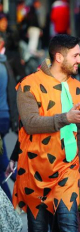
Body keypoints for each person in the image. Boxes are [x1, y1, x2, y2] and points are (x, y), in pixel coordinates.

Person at [12, 34, 80, 232]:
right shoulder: (28, 85)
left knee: (69, 227)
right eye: (75, 55)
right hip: (35, 169)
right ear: (59, 57)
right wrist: (65, 118)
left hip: (67, 167)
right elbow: (31, 123)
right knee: (37, 231)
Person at [0, 35, 18, 200]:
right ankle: (10, 203)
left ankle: (26, 191)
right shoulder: (5, 64)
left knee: (4, 161)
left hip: (1, 117)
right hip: (4, 117)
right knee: (1, 163)